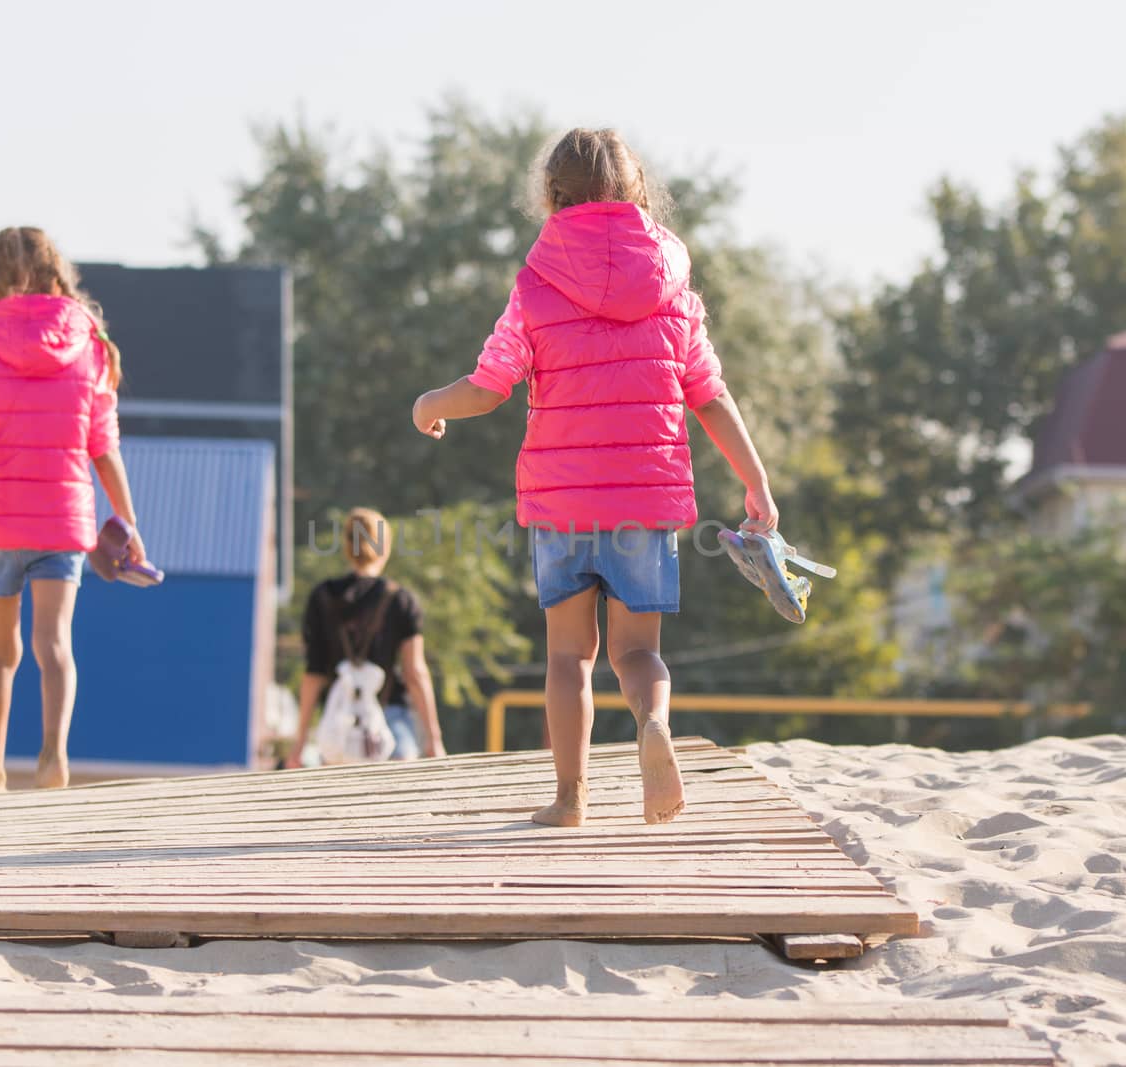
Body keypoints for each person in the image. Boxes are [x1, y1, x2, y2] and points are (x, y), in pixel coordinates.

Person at [411, 128, 778, 827]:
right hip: (646, 499)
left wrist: (429, 404)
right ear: (637, 194)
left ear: (552, 196)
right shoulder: (675, 291)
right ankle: (654, 724)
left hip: (562, 503)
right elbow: (710, 395)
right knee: (638, 652)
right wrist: (755, 478)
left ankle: (570, 798)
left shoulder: (535, 286)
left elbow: (488, 387)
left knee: (568, 659)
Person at [0, 226, 148, 793]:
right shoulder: (89, 343)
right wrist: (129, 519)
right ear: (56, 272)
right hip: (62, 517)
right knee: (55, 644)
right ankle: (53, 755)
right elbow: (103, 444)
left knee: (1, 651)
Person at [288, 508, 446, 767]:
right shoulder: (401, 600)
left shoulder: (322, 597)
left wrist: (300, 743)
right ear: (385, 547)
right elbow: (415, 673)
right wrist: (434, 739)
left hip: (339, 725)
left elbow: (314, 673)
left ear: (347, 547)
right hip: (390, 722)